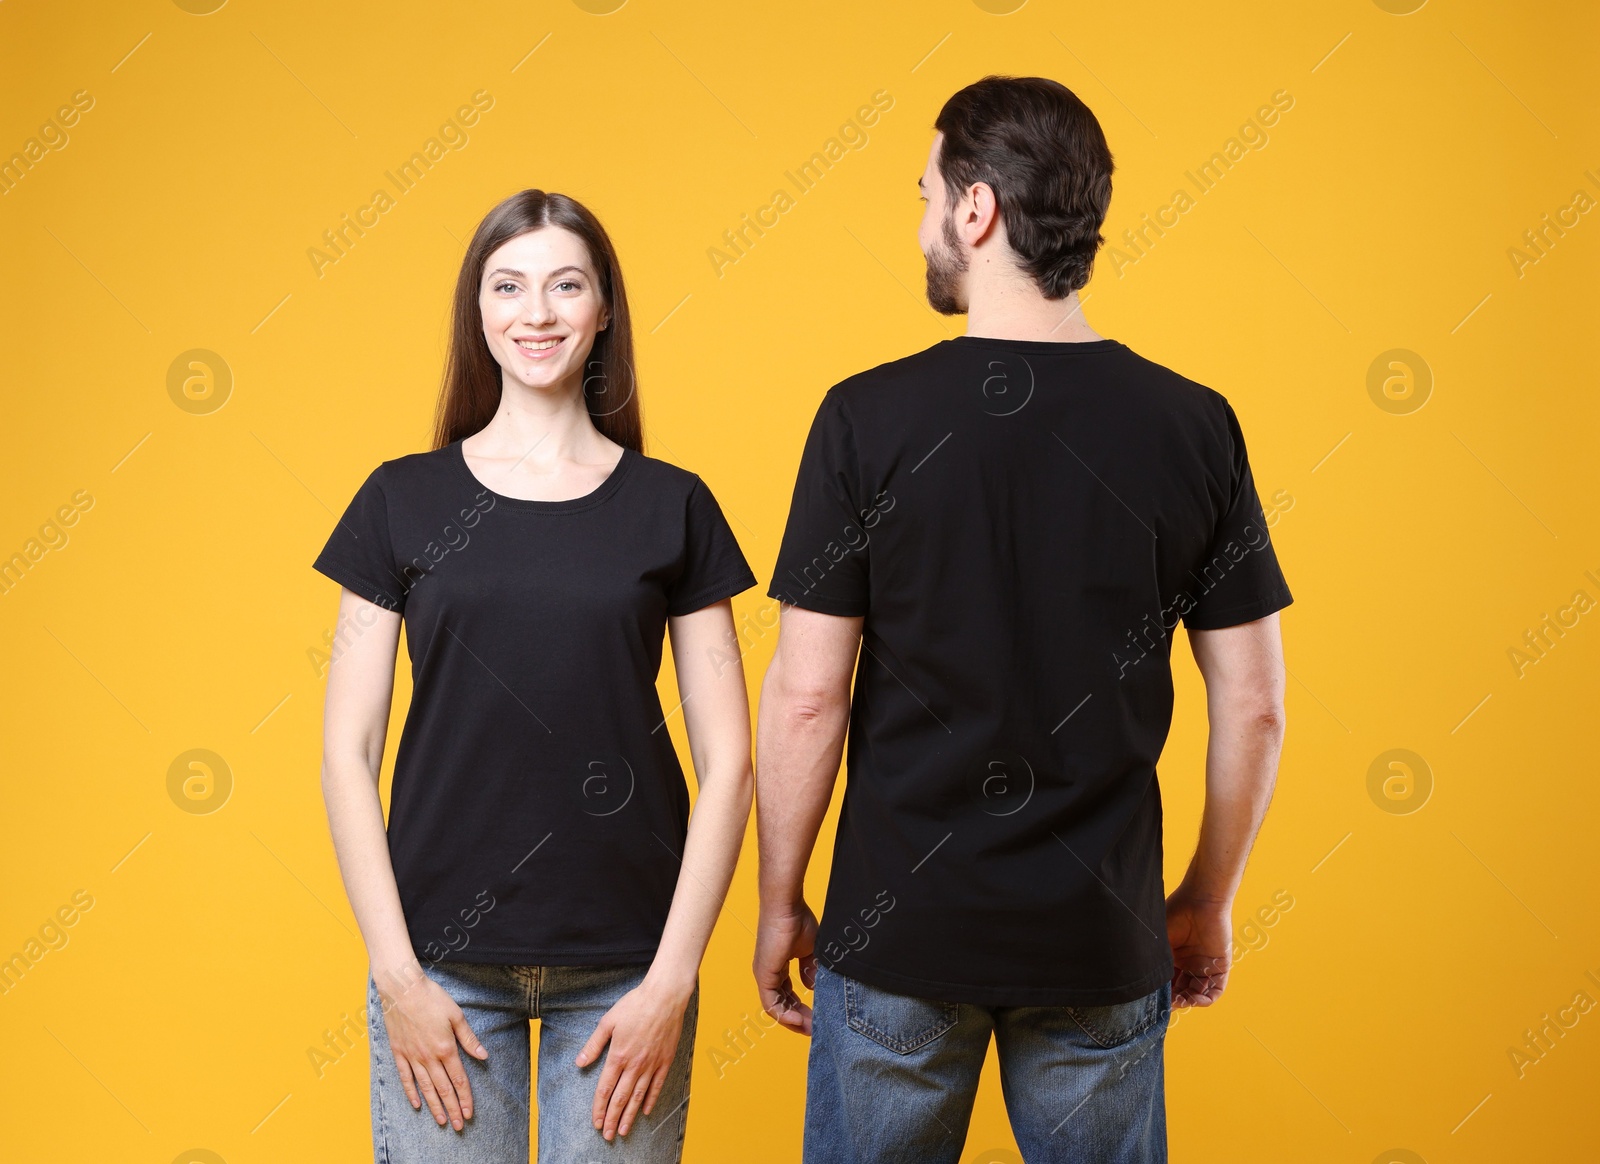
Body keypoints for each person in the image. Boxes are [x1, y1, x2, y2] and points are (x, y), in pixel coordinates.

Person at [752, 76, 1293, 1164]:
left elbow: (808, 695)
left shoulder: (865, 417)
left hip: (896, 932)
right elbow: (1257, 703)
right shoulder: (1192, 425)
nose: (919, 225)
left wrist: (780, 900)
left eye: (923, 194)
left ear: (975, 209)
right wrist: (1206, 898)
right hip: (1098, 935)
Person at [313, 189, 757, 1163]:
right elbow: (346, 754)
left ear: (603, 311)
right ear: (479, 312)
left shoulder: (672, 507)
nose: (537, 312)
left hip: (627, 968)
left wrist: (672, 983)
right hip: (440, 969)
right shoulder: (399, 500)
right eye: (508, 286)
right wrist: (399, 981)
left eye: (566, 285)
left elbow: (730, 764)